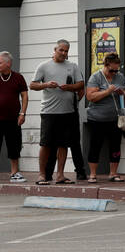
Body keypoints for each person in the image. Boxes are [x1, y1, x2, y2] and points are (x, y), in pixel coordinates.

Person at [30, 39, 85, 184]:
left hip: (67, 112)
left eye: (66, 51)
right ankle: (42, 175)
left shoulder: (72, 66)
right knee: (46, 144)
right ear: (55, 49)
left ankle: (60, 174)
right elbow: (32, 85)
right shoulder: (44, 66)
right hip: (49, 111)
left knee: (63, 144)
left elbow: (80, 84)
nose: (64, 53)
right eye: (61, 50)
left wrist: (70, 87)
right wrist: (46, 84)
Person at [83, 52, 125, 183]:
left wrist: (122, 92)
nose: (114, 73)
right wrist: (107, 91)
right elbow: (90, 97)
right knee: (95, 145)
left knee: (115, 146)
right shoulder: (96, 77)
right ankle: (93, 174)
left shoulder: (120, 77)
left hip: (115, 118)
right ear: (106, 65)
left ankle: (113, 173)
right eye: (112, 70)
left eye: (116, 70)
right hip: (97, 118)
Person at [0, 51, 28, 182]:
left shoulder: (18, 77)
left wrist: (22, 113)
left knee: (14, 146)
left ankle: (14, 173)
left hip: (13, 119)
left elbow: (24, 96)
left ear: (8, 63)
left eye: (0, 62)